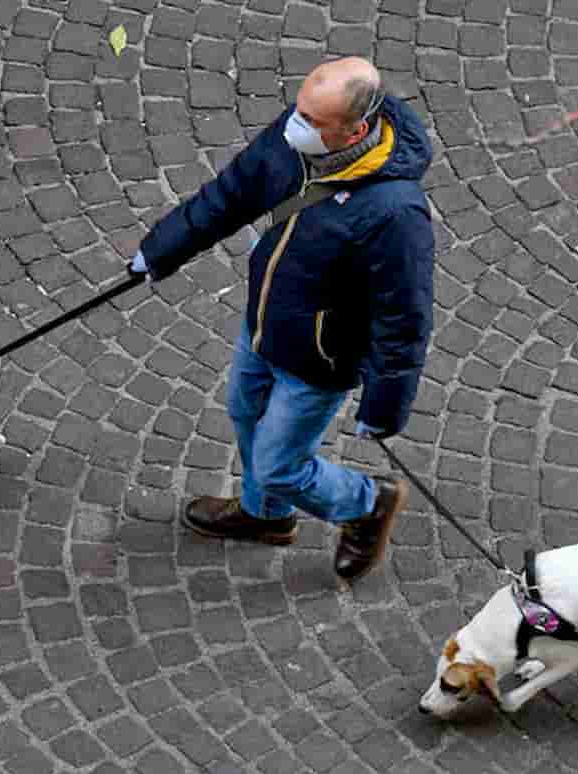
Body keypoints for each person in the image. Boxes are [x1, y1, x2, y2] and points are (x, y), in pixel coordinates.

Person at [130, 57, 434, 581]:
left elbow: (404, 318)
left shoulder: (396, 214)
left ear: (354, 131)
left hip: (317, 361)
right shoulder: (300, 138)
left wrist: (384, 407)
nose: (294, 124)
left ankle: (366, 504)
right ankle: (266, 515)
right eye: (299, 110)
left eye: (312, 120)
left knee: (277, 465)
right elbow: (232, 193)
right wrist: (160, 250)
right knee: (243, 409)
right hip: (264, 326)